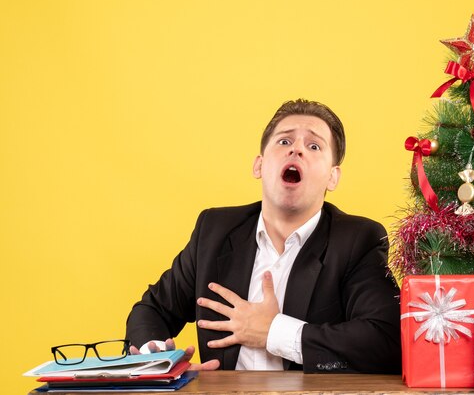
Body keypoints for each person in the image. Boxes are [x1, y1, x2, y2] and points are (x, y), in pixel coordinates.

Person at [125, 99, 401, 373]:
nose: (297, 150)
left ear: (332, 177)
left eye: (314, 145)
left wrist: (274, 332)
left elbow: (385, 340)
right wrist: (162, 363)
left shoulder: (359, 240)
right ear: (259, 166)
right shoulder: (214, 230)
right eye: (284, 142)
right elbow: (151, 311)